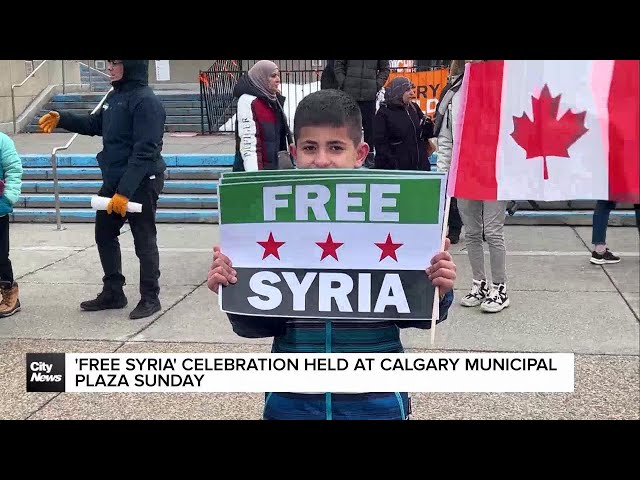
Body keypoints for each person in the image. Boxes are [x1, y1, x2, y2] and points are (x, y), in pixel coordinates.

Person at [207, 89, 457, 420]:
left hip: (376, 402)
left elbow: (417, 318)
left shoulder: (394, 219)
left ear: (360, 153)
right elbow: (253, 327)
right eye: (310, 147)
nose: (322, 159)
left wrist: (439, 290)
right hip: (292, 402)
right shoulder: (270, 218)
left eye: (336, 147)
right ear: (294, 152)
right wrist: (233, 287)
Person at [38, 60, 167, 320]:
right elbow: (95, 124)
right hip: (114, 179)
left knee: (144, 239)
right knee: (104, 234)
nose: (109, 68)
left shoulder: (146, 101)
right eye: (108, 63)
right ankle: (113, 292)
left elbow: (145, 151)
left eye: (115, 63)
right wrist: (64, 119)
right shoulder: (114, 96)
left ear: (130, 66)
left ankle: (150, 297)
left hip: (142, 180)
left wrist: (125, 191)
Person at [436, 60, 509, 313]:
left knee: (493, 231)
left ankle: (499, 287)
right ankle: (479, 283)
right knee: (472, 232)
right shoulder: (454, 92)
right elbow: (446, 138)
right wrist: (443, 175)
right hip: (465, 171)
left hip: (494, 171)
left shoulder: (503, 88)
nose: (472, 63)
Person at [232, 60, 293, 171]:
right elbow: (249, 143)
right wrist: (255, 176)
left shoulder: (273, 100)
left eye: (278, 75)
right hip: (257, 173)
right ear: (261, 77)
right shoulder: (248, 101)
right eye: (273, 76)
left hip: (273, 169)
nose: (278, 80)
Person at [334, 60, 390, 168]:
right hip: (349, 94)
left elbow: (385, 69)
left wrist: (376, 85)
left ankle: (369, 156)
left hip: (369, 95)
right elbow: (338, 66)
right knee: (348, 127)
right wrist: (344, 82)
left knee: (370, 128)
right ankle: (348, 155)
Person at [433, 63, 465, 244]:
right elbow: (445, 135)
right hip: (456, 156)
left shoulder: (490, 89)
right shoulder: (451, 94)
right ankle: (454, 228)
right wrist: (442, 170)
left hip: (480, 158)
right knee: (452, 194)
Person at [373, 76, 432, 171]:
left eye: (412, 89)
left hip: (420, 167)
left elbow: (422, 136)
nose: (412, 93)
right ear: (398, 92)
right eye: (407, 90)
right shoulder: (384, 113)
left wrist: (428, 127)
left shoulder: (414, 107)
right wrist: (394, 165)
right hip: (397, 171)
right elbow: (381, 145)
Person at [0, 132, 23, 318]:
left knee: (0, 255)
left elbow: (13, 169)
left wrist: (8, 197)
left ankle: (9, 293)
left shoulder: (2, 140)